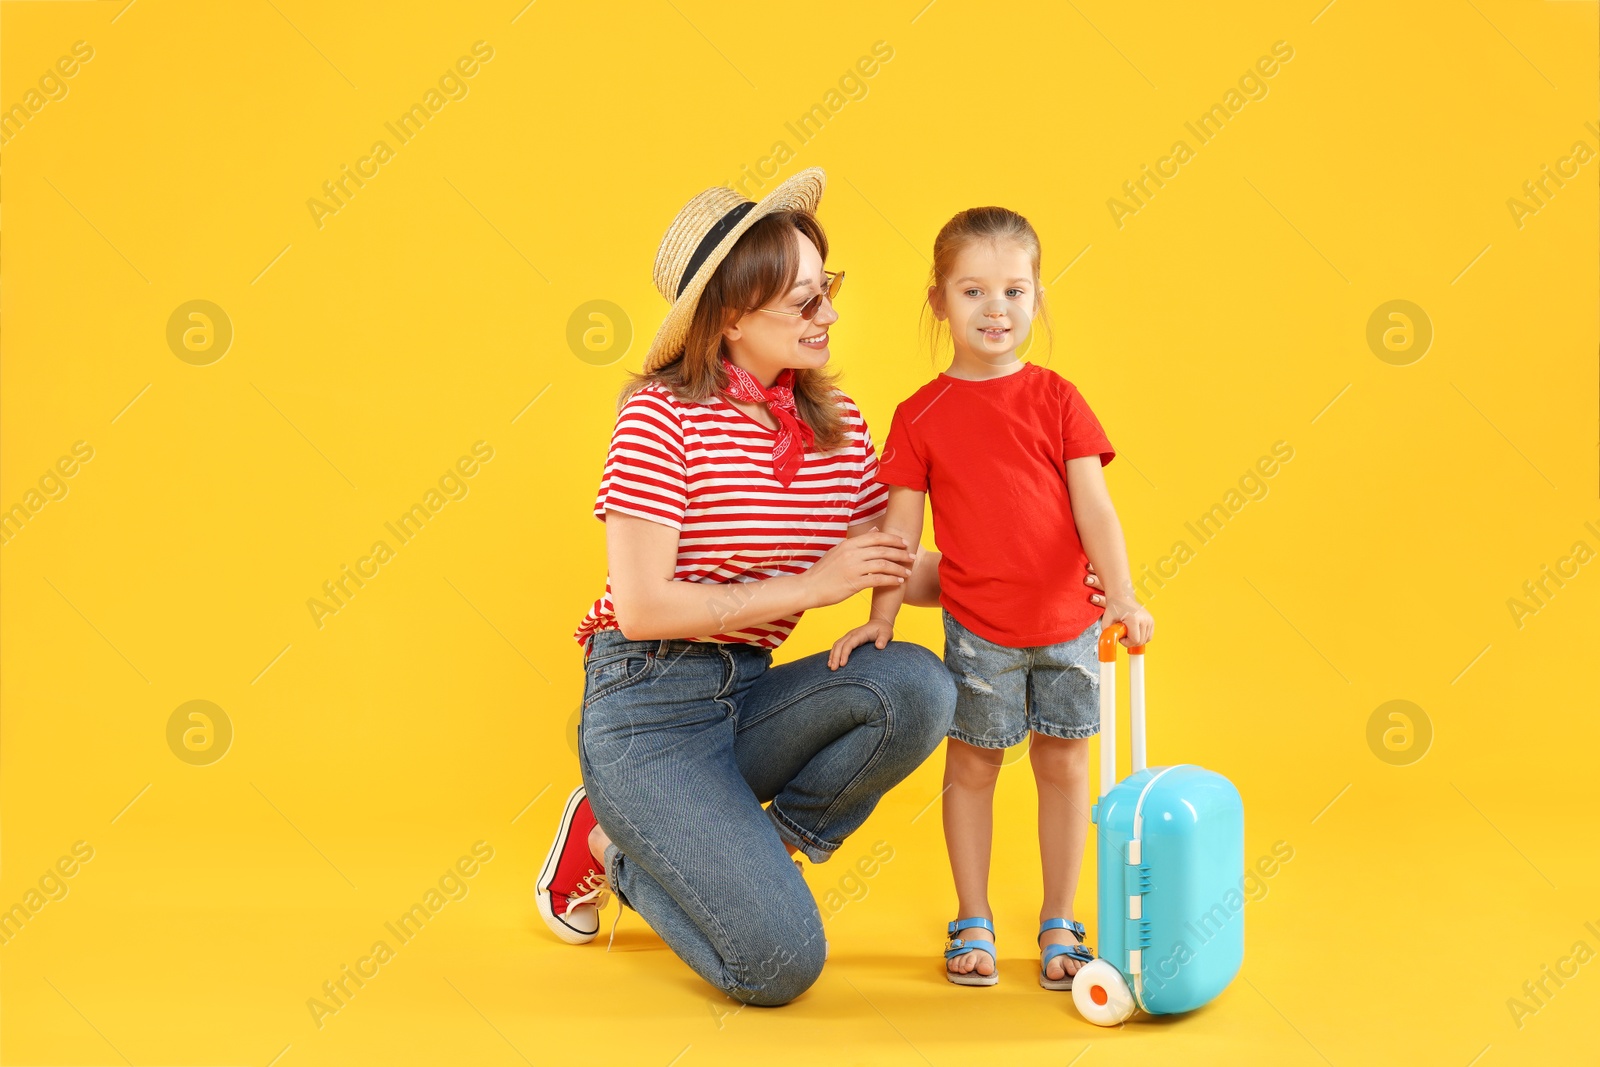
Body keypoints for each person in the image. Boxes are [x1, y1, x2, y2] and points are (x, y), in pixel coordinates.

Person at [534, 168, 958, 1007]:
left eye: (826, 288)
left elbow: (892, 562)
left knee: (916, 683)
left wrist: (1037, 574)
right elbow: (646, 603)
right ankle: (613, 843)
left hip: (748, 698)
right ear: (729, 318)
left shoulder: (836, 426)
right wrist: (815, 580)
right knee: (778, 967)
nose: (829, 313)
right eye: (804, 301)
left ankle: (749, 851)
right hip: (646, 711)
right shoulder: (659, 415)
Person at [829, 206, 1155, 990]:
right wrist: (880, 614)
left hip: (1069, 623)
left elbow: (1095, 510)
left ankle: (1059, 920)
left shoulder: (1059, 399)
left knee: (1065, 764)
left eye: (1014, 290)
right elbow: (898, 534)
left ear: (1038, 298)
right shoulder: (921, 414)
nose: (996, 309)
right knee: (973, 766)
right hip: (978, 631)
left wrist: (1123, 595)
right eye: (973, 290)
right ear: (938, 300)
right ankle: (971, 914)